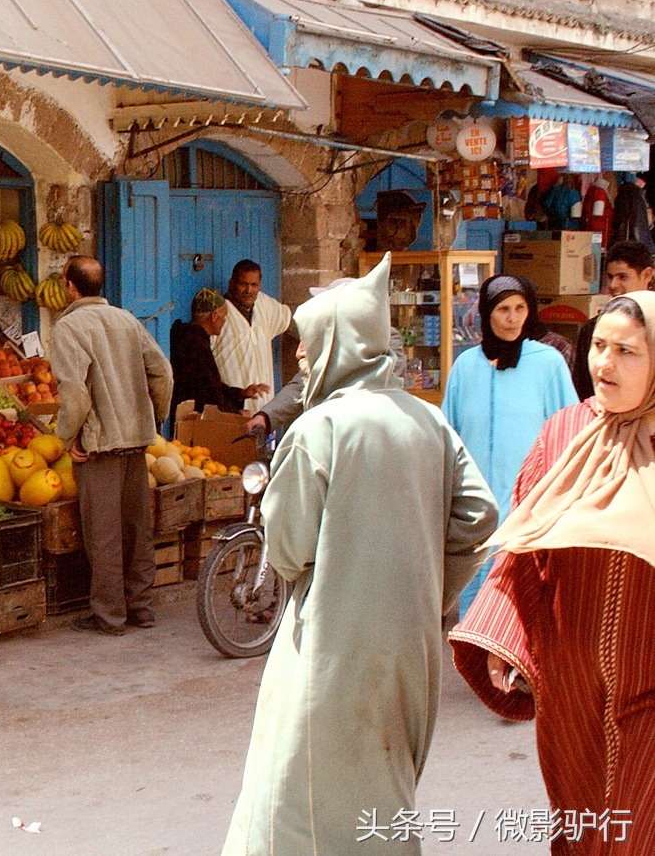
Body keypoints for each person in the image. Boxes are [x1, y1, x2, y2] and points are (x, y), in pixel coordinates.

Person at [220, 256, 499, 856]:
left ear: (336, 346)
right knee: (382, 795)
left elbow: (289, 550)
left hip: (330, 645)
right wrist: (429, 590)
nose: (299, 360)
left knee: (297, 803)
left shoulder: (319, 428)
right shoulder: (429, 421)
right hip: (411, 644)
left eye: (306, 348)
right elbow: (479, 517)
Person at [450, 292, 655, 855]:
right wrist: (503, 639)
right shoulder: (565, 434)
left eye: (628, 352)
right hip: (570, 686)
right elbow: (522, 543)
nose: (604, 364)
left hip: (650, 675)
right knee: (583, 825)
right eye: (601, 347)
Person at [49, 256, 173, 636]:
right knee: (137, 529)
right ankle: (142, 607)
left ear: (70, 286)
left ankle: (109, 616)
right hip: (135, 442)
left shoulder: (67, 328)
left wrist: (67, 438)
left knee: (102, 535)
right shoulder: (127, 320)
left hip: (99, 447)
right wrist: (155, 418)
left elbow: (75, 395)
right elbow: (162, 372)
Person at [443, 274, 578, 617]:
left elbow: (571, 434)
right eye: (503, 309)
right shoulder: (465, 367)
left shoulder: (547, 363)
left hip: (528, 512)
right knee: (474, 621)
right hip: (475, 518)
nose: (512, 318)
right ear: (487, 313)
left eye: (520, 308)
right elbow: (448, 437)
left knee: (521, 620)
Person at [245, 277, 406, 437]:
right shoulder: (328, 337)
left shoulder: (386, 340)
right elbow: (303, 382)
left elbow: (381, 387)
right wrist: (266, 417)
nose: (299, 353)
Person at [572, 241, 654, 399]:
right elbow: (583, 389)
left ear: (647, 275)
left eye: (622, 277)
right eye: (610, 277)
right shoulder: (593, 328)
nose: (613, 285)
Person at [210, 259, 291, 413]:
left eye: (254, 285)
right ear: (231, 283)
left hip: (266, 408)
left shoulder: (264, 305)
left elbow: (290, 319)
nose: (249, 290)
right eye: (243, 284)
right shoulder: (219, 314)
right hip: (234, 409)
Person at [170, 288, 268, 414]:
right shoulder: (196, 346)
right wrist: (237, 414)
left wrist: (241, 393)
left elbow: (213, 385)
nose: (224, 321)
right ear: (214, 316)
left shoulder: (188, 337)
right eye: (223, 317)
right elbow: (208, 396)